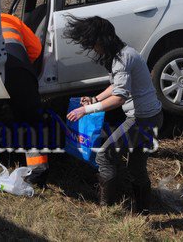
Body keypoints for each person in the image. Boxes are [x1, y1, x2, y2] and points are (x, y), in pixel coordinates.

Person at [64, 16, 163, 214]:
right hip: (152, 116)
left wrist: (86, 109)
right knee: (136, 168)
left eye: (93, 44)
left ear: (102, 40)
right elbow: (116, 86)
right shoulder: (125, 53)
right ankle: (142, 211)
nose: (94, 49)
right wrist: (94, 99)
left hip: (141, 119)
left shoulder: (122, 59)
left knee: (104, 156)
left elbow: (118, 98)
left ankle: (107, 208)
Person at [0, 8, 49, 187]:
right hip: (19, 69)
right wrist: (24, 66)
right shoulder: (10, 18)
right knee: (31, 120)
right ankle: (37, 172)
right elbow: (36, 49)